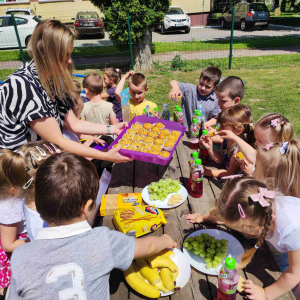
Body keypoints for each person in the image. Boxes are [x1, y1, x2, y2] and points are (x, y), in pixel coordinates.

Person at [8, 153, 176, 299]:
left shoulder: (20, 255)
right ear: (87, 207)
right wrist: (165, 240)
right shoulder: (103, 240)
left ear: (40, 209)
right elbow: (149, 246)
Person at [0, 20, 130, 164]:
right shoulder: (24, 86)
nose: (69, 61)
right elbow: (59, 142)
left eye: (70, 54)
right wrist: (106, 155)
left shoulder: (54, 78)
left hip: (41, 153)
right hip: (18, 167)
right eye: (65, 55)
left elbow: (74, 124)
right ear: (45, 53)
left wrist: (112, 128)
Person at [184, 177, 300, 300]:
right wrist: (205, 217)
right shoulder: (257, 207)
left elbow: (294, 273)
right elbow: (229, 212)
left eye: (240, 228)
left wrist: (265, 294)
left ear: (259, 223)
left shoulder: (291, 231)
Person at [219, 113, 294, 175]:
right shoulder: (269, 152)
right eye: (256, 138)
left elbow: (270, 186)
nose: (255, 143)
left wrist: (252, 173)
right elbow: (255, 157)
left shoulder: (282, 163)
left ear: (278, 142)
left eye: (260, 141)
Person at [0, 150, 29, 299]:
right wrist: (34, 240)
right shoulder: (9, 209)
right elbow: (8, 245)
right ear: (13, 189)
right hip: (16, 246)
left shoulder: (12, 197)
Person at [201, 105, 255, 177]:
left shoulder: (238, 150)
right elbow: (220, 158)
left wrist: (207, 172)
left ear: (238, 131)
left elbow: (230, 173)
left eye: (222, 127)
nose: (219, 129)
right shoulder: (227, 139)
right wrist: (210, 147)